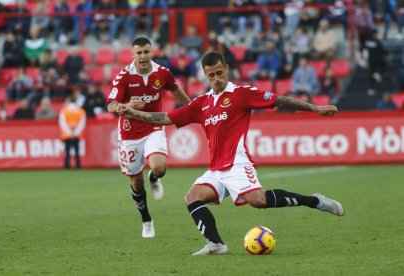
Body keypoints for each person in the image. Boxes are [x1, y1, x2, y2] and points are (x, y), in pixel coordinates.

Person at [119, 51, 344, 256]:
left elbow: (279, 100)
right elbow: (166, 118)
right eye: (211, 75)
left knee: (258, 201)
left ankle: (315, 201)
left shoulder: (241, 93)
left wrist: (315, 108)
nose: (216, 78)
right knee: (192, 197)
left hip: (237, 163)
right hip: (216, 169)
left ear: (226, 69)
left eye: (219, 73)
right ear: (205, 76)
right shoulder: (202, 103)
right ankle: (215, 244)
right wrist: (131, 113)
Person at [106, 37, 190, 238]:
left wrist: (193, 107)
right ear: (132, 55)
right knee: (136, 182)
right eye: (139, 53)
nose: (143, 56)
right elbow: (111, 105)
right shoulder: (124, 77)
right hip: (129, 134)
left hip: (153, 126)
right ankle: (146, 220)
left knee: (159, 168)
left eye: (146, 52)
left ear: (152, 52)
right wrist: (125, 107)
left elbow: (175, 89)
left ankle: (154, 177)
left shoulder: (162, 73)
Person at [59, 96, 86, 169]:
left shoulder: (64, 110)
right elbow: (82, 123)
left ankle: (66, 166)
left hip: (66, 135)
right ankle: (78, 166)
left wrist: (69, 132)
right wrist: (75, 132)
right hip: (77, 135)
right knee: (77, 151)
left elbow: (62, 123)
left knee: (67, 152)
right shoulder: (80, 110)